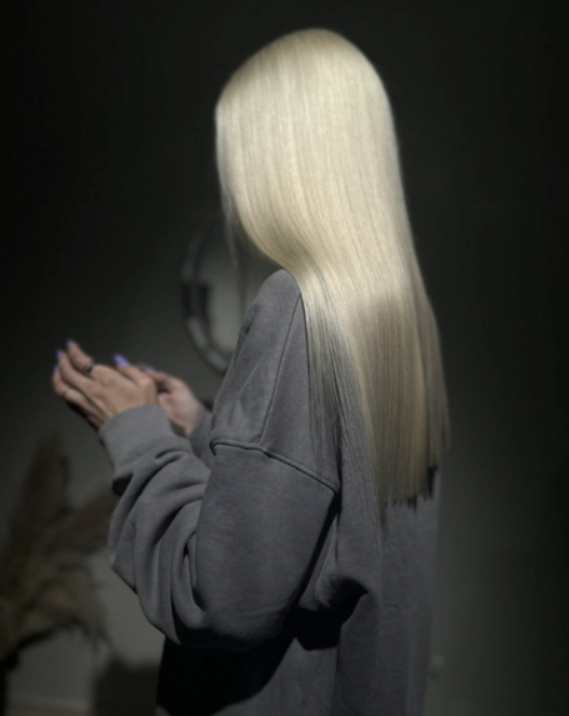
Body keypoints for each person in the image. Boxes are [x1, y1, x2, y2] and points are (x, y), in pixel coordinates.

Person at [51, 27, 451, 716]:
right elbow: (326, 511)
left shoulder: (297, 307)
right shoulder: (397, 313)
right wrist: (205, 428)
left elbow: (221, 597)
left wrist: (137, 437)